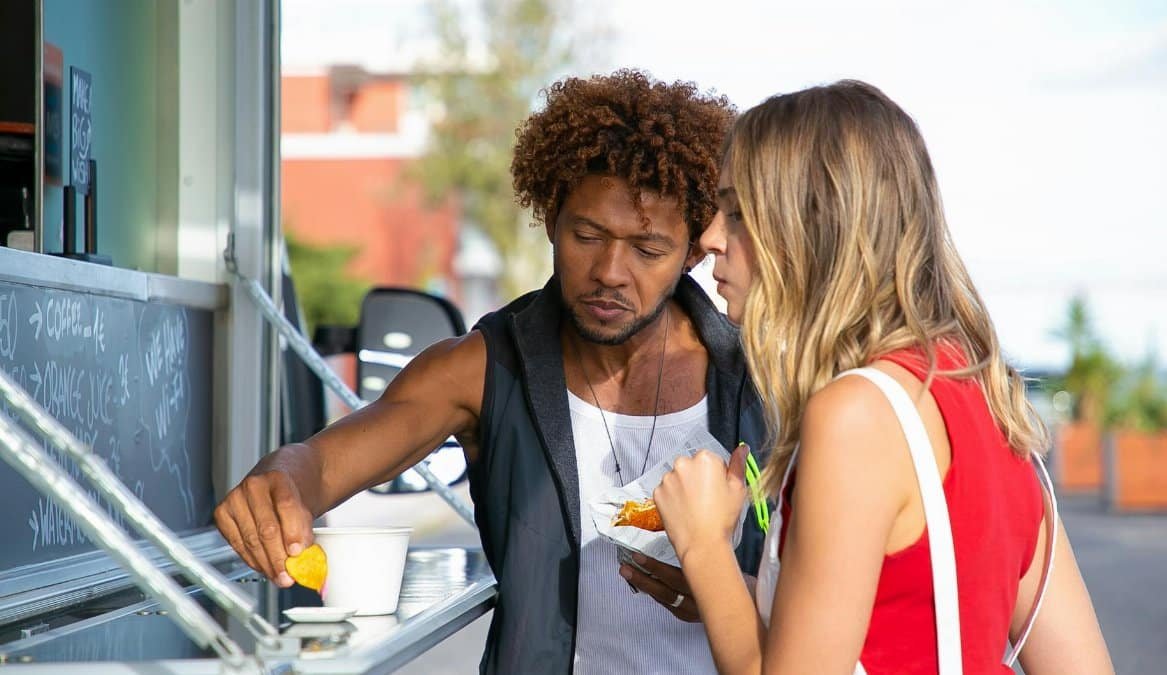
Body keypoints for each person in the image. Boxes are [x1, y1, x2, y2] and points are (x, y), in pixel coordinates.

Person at [213, 69, 767, 674]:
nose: (610, 270)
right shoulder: (483, 365)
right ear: (550, 218)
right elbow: (320, 463)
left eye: (648, 249)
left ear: (693, 251)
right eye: (587, 235)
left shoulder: (759, 379)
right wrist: (280, 481)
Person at [650, 81, 1113, 674]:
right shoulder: (982, 392)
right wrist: (740, 597)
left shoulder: (856, 415)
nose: (711, 236)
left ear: (816, 229)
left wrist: (705, 547)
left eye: (738, 212)